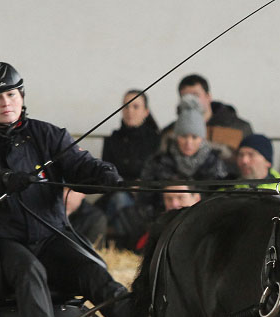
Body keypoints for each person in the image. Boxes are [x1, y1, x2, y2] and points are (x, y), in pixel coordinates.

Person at [0, 61, 133, 317]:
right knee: (29, 271)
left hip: (50, 235)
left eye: (11, 95)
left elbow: (79, 165)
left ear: (22, 97)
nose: (5, 103)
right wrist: (4, 179)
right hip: (4, 239)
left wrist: (105, 176)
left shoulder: (47, 135)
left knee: (93, 271)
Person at [139, 94, 228, 210]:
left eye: (194, 137)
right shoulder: (158, 162)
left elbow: (221, 199)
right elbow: (144, 199)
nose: (188, 143)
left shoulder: (215, 163)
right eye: (184, 136)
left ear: (202, 139)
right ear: (176, 136)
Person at [160, 74, 253, 167]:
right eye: (185, 97)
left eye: (195, 95)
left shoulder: (239, 128)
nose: (190, 101)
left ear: (208, 96)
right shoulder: (170, 132)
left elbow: (251, 162)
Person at [99, 90, 162, 222]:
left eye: (135, 106)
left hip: (148, 197)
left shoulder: (156, 140)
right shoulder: (112, 140)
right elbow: (106, 174)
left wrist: (143, 186)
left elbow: (160, 172)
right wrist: (127, 186)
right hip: (117, 193)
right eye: (126, 106)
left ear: (146, 111)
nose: (130, 111)